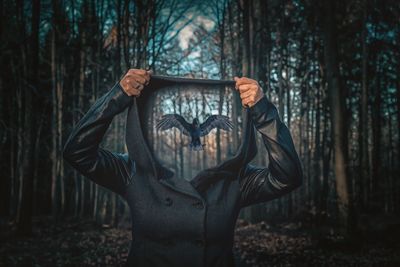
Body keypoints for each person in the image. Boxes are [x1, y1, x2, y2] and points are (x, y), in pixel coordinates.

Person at [63, 69, 303, 267]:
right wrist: (117, 98)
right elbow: (77, 152)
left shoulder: (235, 180)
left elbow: (287, 177)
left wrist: (263, 112)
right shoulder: (133, 172)